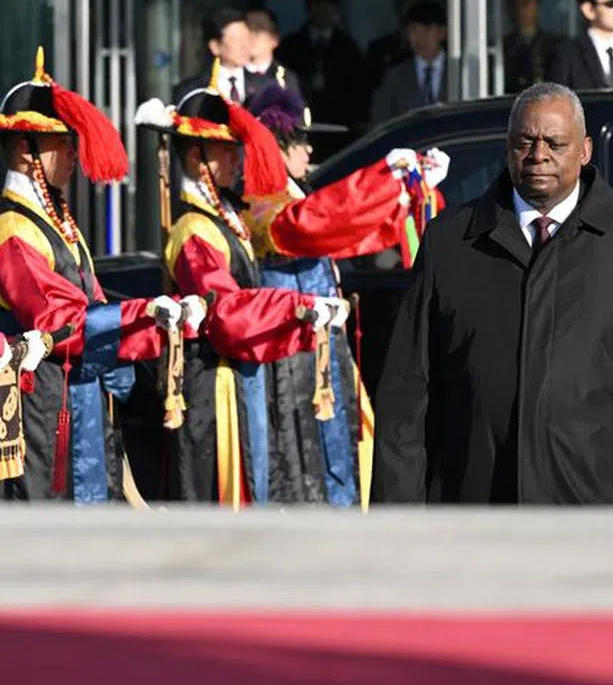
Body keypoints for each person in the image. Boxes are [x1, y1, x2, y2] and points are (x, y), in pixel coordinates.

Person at [373, 82, 613, 505]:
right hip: (479, 515)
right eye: (524, 142)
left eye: (555, 143)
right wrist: (396, 523)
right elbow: (406, 400)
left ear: (584, 150)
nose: (538, 155)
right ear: (507, 147)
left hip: (602, 513)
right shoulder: (450, 242)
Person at [134, 61, 345, 508]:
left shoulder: (226, 217)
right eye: (224, 151)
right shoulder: (194, 231)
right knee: (222, 497)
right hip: (213, 386)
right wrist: (294, 308)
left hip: (239, 377)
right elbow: (226, 310)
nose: (236, 160)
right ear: (197, 159)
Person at [0, 47, 198, 502]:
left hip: (78, 389)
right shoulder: (14, 229)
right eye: (61, 142)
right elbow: (55, 318)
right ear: (25, 150)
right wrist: (141, 316)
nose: (74, 152)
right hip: (40, 399)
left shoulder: (55, 219)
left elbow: (89, 300)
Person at [243, 83, 449, 508]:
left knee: (335, 447)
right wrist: (383, 179)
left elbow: (354, 230)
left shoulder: (290, 195)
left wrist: (413, 190)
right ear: (275, 144)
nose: (308, 150)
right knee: (299, 456)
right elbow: (311, 223)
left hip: (318, 348)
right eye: (299, 140)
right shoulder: (261, 203)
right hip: (287, 349)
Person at [277, 0, 369, 131]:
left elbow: (359, 85)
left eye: (328, 6)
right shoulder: (291, 45)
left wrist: (360, 119)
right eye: (317, 5)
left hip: (341, 122)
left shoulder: (348, 47)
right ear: (308, 8)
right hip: (298, 119)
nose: (322, 12)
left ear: (336, 9)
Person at [371, 0, 449, 124]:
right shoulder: (394, 76)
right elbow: (379, 122)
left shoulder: (458, 70)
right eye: (413, 31)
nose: (420, 38)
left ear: (443, 32)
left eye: (426, 30)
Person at [174, 8, 253, 105]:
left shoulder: (264, 86)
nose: (244, 45)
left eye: (247, 37)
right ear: (215, 46)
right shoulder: (190, 91)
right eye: (236, 39)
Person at [365, 0, 429, 91]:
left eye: (418, 2)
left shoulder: (438, 48)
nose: (413, 7)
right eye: (407, 1)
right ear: (397, 5)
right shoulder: (378, 50)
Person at [502, 0, 563, 93]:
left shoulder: (556, 45)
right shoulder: (502, 47)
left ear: (537, 5)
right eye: (515, 3)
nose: (521, 8)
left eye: (525, 2)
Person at [245, 7, 303, 102]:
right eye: (247, 28)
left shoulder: (287, 78)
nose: (252, 35)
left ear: (274, 38)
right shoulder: (231, 75)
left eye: (259, 28)